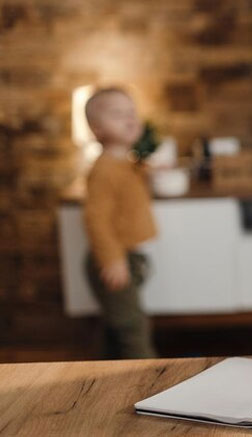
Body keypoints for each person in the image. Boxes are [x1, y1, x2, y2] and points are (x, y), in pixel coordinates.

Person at [82, 87, 159, 359]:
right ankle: (148, 379)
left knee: (117, 325)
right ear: (96, 128)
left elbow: (131, 188)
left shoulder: (125, 163)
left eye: (132, 112)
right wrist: (113, 259)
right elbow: (96, 219)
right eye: (118, 114)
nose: (130, 119)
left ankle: (104, 377)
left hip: (130, 258)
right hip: (116, 258)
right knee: (132, 327)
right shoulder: (104, 169)